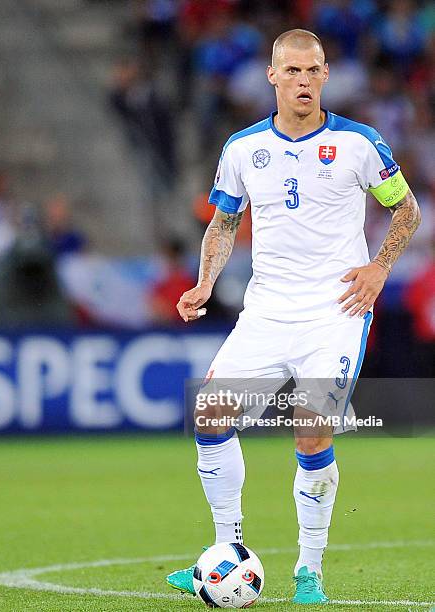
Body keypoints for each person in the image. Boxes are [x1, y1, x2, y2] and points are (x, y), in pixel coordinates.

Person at [166, 29, 421, 604]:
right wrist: (205, 282)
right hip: (266, 310)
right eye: (293, 71)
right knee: (209, 414)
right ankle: (226, 554)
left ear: (326, 75)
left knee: (310, 428)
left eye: (314, 71)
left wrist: (379, 267)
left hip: (336, 310)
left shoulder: (360, 143)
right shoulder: (241, 148)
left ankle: (310, 569)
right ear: (272, 76)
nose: (304, 81)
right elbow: (224, 224)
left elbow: (406, 210)